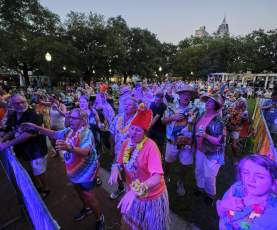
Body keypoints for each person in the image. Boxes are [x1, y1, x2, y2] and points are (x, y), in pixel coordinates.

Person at [21, 108, 104, 229]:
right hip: (74, 171)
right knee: (78, 190)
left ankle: (99, 218)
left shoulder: (86, 133)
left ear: (83, 120)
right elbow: (54, 134)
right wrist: (36, 127)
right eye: (70, 117)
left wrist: (69, 148)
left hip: (86, 172)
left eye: (74, 118)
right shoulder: (70, 130)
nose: (70, 120)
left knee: (89, 196)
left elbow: (86, 151)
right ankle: (86, 209)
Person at [109, 103, 169, 230]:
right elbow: (119, 161)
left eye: (138, 130)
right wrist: (115, 168)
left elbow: (157, 177)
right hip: (132, 192)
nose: (133, 132)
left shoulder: (151, 147)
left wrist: (136, 190)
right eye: (132, 128)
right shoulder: (126, 143)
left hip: (151, 197)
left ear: (145, 132)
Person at [0, 93, 49, 198]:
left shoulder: (34, 114)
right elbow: (13, 130)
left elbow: (28, 135)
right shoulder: (13, 115)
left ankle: (45, 188)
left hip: (36, 149)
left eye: (23, 102)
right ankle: (38, 186)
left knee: (39, 171)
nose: (21, 105)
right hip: (23, 150)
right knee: (30, 170)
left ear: (26, 100)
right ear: (12, 104)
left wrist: (7, 143)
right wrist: (3, 139)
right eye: (17, 103)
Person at [216, 154, 277, 230]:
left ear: (273, 182)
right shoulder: (236, 188)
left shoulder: (273, 214)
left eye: (259, 176)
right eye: (245, 173)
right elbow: (222, 214)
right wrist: (223, 206)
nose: (250, 180)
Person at [162, 83, 198, 196]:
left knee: (185, 164)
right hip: (172, 142)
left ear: (191, 96)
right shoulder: (171, 107)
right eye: (183, 94)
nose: (186, 96)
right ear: (179, 95)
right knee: (168, 161)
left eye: (188, 94)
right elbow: (163, 121)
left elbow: (198, 125)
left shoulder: (195, 109)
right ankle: (166, 177)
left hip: (187, 144)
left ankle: (180, 182)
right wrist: (173, 117)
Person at [195, 93, 225, 205]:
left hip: (212, 152)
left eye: (211, 101)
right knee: (199, 170)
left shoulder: (218, 121)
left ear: (216, 105)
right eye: (207, 101)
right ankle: (200, 188)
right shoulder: (202, 114)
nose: (207, 103)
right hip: (200, 148)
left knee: (210, 175)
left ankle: (210, 194)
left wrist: (206, 136)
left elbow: (219, 141)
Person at [109, 97, 138, 199]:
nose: (126, 106)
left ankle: (133, 193)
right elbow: (112, 133)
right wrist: (112, 149)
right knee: (116, 170)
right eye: (125, 104)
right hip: (118, 151)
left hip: (133, 153)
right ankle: (121, 188)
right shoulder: (118, 117)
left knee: (132, 174)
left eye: (129, 105)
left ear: (135, 108)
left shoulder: (138, 120)